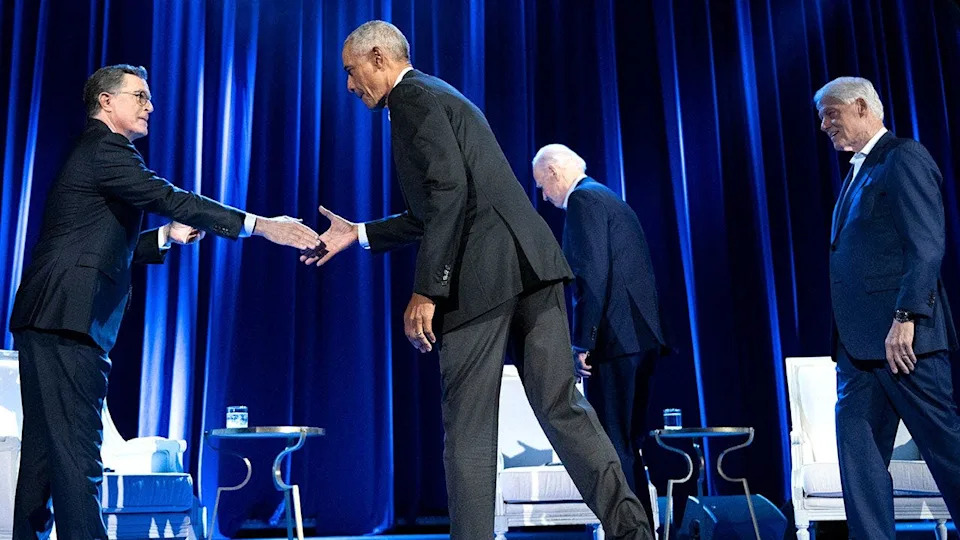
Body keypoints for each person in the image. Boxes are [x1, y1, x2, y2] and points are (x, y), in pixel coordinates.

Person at [305, 20, 653, 540]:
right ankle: (633, 532)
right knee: (565, 409)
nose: (351, 86)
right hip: (533, 266)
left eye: (351, 72)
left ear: (378, 57)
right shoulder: (439, 94)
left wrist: (428, 289)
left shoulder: (411, 101)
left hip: (483, 277)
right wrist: (358, 233)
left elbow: (447, 193)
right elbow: (443, 204)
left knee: (467, 424)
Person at [8, 64, 322, 539]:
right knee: (76, 454)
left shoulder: (97, 154)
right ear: (106, 102)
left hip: (52, 316)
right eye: (140, 96)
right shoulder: (106, 150)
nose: (150, 106)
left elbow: (92, 247)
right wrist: (261, 225)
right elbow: (172, 196)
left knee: (45, 456)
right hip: (65, 320)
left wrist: (165, 239)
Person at [815, 76, 960, 539]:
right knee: (859, 464)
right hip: (858, 351)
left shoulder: (902, 157)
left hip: (904, 342)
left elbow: (926, 244)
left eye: (830, 113)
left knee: (946, 450)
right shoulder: (857, 170)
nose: (824, 125)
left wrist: (905, 318)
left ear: (860, 107)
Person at [531, 144, 666, 537]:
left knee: (611, 445)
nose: (544, 196)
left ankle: (628, 533)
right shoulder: (608, 197)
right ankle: (641, 530)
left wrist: (581, 343)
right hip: (640, 339)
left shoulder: (583, 201)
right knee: (628, 443)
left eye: (543, 186)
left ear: (555, 173)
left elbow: (590, 276)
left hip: (615, 341)